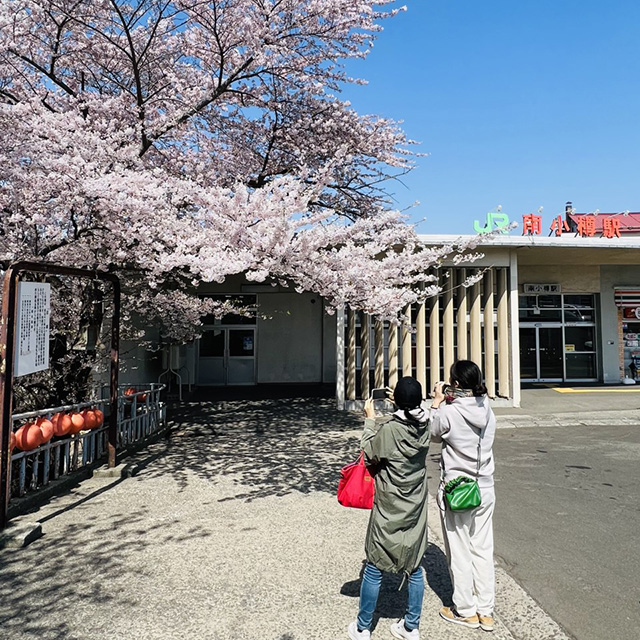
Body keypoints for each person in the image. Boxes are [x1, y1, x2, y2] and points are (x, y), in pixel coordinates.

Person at [348, 376, 431, 640]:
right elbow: (414, 410)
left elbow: (369, 451)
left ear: (397, 401)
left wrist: (370, 419)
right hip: (415, 502)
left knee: (374, 565)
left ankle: (363, 627)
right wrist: (402, 399)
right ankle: (411, 625)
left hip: (389, 502)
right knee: (415, 565)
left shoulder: (390, 429)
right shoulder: (426, 425)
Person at [429, 359, 497, 633]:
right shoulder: (487, 408)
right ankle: (486, 611)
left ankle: (466, 610)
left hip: (458, 488)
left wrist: (436, 401)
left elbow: (432, 433)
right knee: (483, 549)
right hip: (485, 486)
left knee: (459, 550)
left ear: (455, 384)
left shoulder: (449, 412)